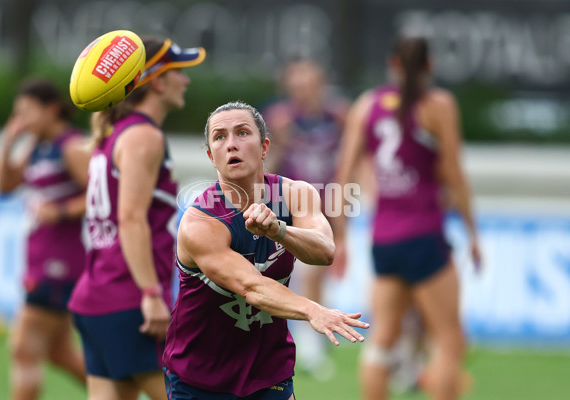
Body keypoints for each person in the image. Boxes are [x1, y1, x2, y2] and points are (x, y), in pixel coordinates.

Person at [162, 101, 369, 400]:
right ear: (211, 156)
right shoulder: (200, 221)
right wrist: (313, 310)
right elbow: (252, 287)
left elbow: (324, 251)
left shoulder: (295, 194)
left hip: (269, 373)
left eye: (242, 133)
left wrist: (279, 231)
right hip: (200, 377)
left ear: (264, 147)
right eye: (219, 137)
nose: (231, 144)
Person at [334, 36, 481, 400]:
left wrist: (339, 238)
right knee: (449, 340)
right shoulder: (438, 105)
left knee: (382, 339)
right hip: (425, 235)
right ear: (430, 66)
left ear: (392, 64)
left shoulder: (366, 105)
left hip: (383, 239)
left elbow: (343, 176)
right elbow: (454, 173)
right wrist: (473, 233)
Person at [67, 37, 205, 400]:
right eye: (179, 72)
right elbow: (130, 218)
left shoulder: (114, 132)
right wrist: (149, 293)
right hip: (130, 301)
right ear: (157, 81)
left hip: (96, 298)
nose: (186, 80)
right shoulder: (143, 135)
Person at [0, 79, 90, 400]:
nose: (20, 120)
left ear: (50, 109)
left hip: (61, 264)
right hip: (40, 259)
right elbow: (4, 186)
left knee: (23, 348)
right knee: (59, 353)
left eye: (25, 112)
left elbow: (102, 195)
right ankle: (118, 393)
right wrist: (8, 142)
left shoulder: (70, 146)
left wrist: (60, 211)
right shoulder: (35, 147)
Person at [262, 58, 350, 378]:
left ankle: (314, 339)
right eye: (297, 85)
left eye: (309, 84)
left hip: (326, 201)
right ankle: (306, 342)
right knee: (302, 273)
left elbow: (347, 157)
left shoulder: (337, 116)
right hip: (292, 204)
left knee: (320, 271)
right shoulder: (283, 120)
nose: (304, 92)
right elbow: (269, 161)